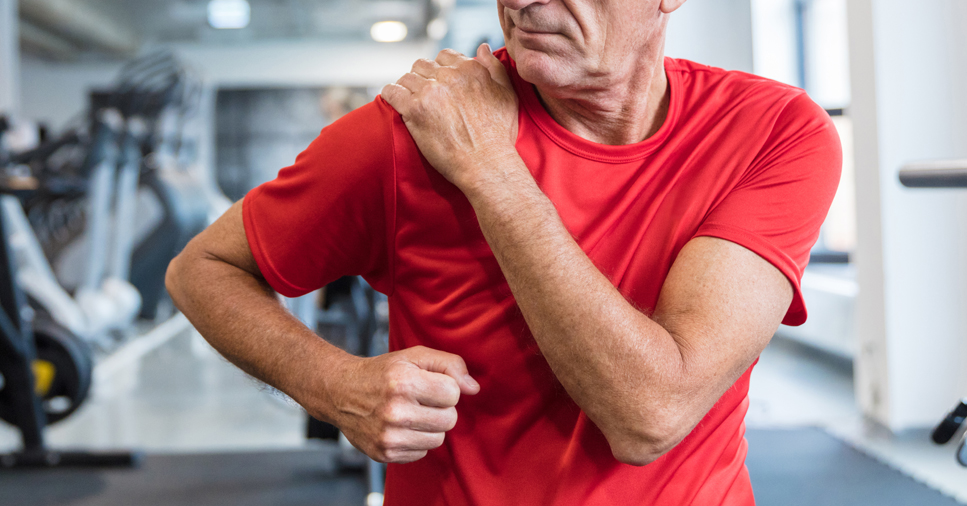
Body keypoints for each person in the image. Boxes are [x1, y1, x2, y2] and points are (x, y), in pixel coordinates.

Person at [165, 0, 842, 503]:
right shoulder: (405, 132)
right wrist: (334, 386)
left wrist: (489, 169)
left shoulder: (770, 132)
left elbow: (650, 414)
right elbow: (203, 269)